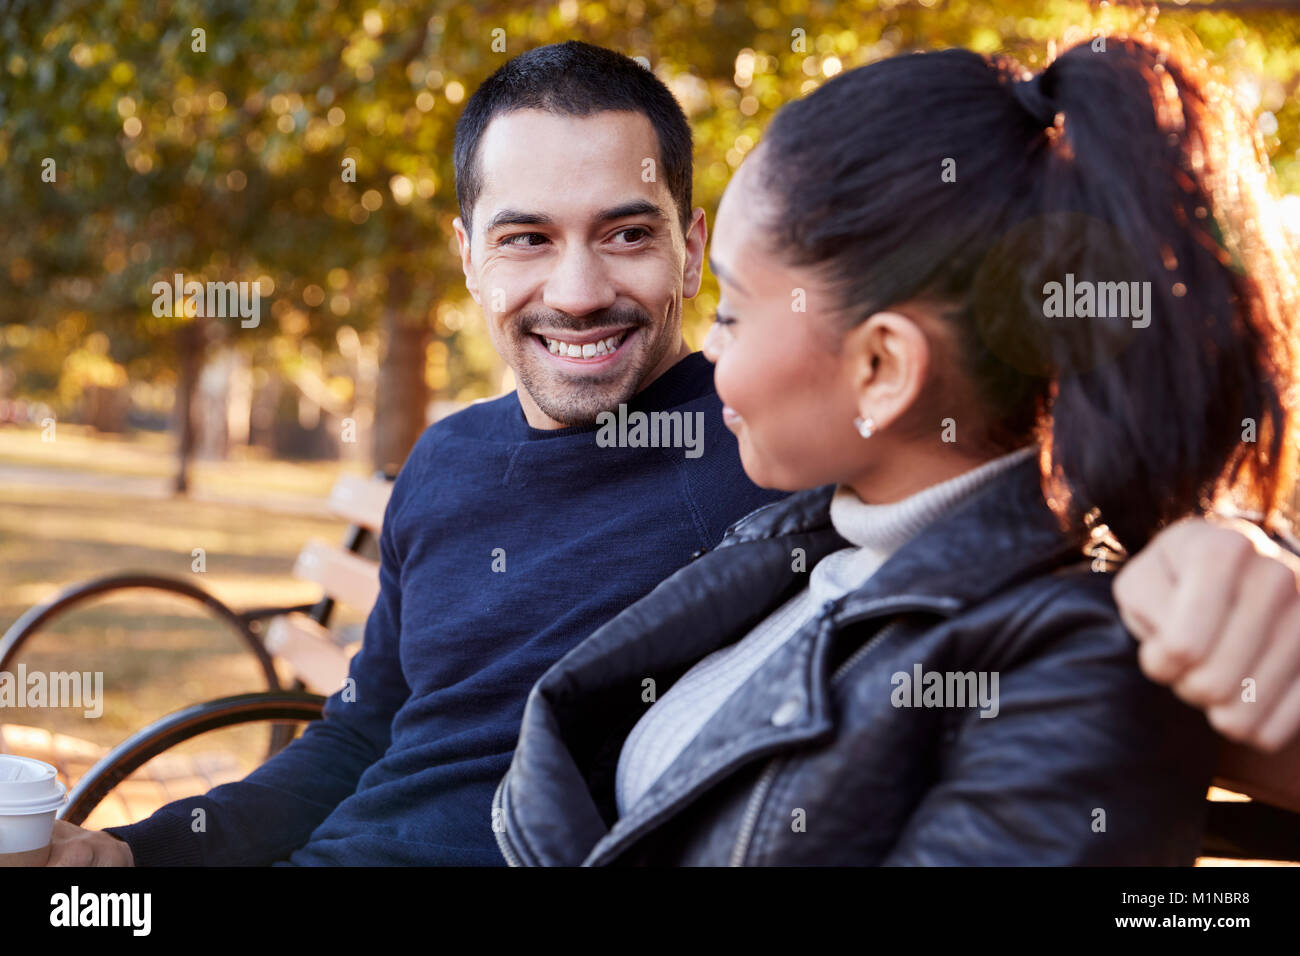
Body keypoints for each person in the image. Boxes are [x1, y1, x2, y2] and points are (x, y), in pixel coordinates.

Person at [492, 35, 1299, 865]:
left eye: (732, 309)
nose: (711, 348)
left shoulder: (1060, 669)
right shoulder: (809, 540)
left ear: (881, 368)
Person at [46, 40, 784, 866]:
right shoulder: (445, 461)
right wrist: (136, 856)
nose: (578, 294)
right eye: (527, 239)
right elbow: (363, 735)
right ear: (469, 259)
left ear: (690, 252)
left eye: (625, 234)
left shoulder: (766, 452)